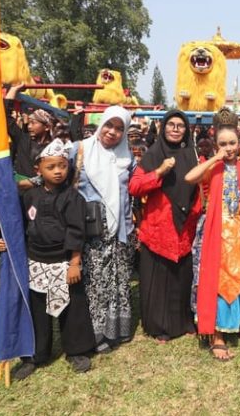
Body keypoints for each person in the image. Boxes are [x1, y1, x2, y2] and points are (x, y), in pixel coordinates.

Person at [2, 137, 96, 380]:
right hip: (35, 261)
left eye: (62, 166)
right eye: (51, 167)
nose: (57, 172)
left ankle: (76, 351)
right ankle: (34, 354)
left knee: (71, 308)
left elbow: (77, 231)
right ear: (38, 169)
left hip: (64, 261)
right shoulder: (30, 196)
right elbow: (20, 225)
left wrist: (75, 263)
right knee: (36, 310)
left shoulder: (73, 198)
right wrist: (7, 243)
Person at [128, 110, 202, 342]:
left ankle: (184, 321)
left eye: (181, 125)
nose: (176, 129)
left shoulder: (192, 154)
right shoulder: (152, 154)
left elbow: (199, 188)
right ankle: (159, 327)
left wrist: (196, 212)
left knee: (182, 278)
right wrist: (159, 172)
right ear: (163, 127)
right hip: (159, 226)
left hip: (185, 227)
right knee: (159, 280)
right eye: (171, 124)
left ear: (186, 130)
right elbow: (135, 187)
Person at [185, 108, 240, 361]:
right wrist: (215, 159)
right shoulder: (210, 166)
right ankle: (217, 335)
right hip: (214, 231)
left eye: (232, 143)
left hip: (238, 231)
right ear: (215, 144)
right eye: (222, 144)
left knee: (237, 276)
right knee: (214, 280)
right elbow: (189, 178)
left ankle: (233, 322)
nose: (228, 148)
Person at [70, 105, 135, 353]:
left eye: (120, 128)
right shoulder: (80, 149)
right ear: (101, 124)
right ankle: (95, 335)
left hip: (119, 230)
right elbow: (58, 175)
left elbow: (133, 190)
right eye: (109, 125)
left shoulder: (127, 157)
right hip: (92, 229)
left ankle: (116, 331)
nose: (112, 132)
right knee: (95, 283)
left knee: (118, 281)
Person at [4, 84, 56, 183]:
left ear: (46, 127)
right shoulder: (23, 138)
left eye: (33, 123)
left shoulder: (54, 147)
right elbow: (5, 116)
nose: (29, 126)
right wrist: (14, 90)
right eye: (29, 122)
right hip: (21, 191)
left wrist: (35, 182)